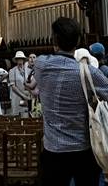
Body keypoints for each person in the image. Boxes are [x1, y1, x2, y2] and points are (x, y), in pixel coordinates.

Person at [35, 16, 108, 185]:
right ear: (78, 41)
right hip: (83, 148)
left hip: (53, 149)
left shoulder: (41, 65)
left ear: (54, 40)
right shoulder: (91, 73)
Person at [9, 51, 31, 116]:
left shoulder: (27, 71)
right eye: (18, 58)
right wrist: (23, 95)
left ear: (23, 60)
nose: (20, 60)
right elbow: (13, 87)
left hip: (25, 97)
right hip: (16, 97)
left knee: (25, 115)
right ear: (16, 60)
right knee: (16, 117)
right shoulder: (12, 71)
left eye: (21, 58)